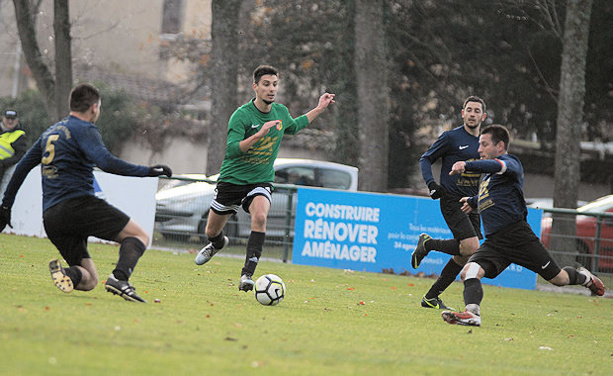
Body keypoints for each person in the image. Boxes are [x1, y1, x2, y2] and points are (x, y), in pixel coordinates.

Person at [0, 83, 172, 303]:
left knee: (89, 280)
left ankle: (67, 273)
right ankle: (120, 279)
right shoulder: (84, 129)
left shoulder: (50, 132)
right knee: (139, 236)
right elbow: (106, 162)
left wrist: (6, 206)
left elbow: (22, 168)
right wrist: (148, 171)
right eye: (99, 107)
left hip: (52, 217)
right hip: (78, 205)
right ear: (93, 108)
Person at [441, 124, 605, 326]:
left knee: (558, 278)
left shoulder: (510, 163)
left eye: (484, 144)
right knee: (469, 272)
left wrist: (467, 165)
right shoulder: (489, 179)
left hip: (517, 236)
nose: (479, 149)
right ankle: (472, 314)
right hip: (495, 242)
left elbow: (496, 166)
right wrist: (473, 202)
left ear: (499, 146)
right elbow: (491, 195)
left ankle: (584, 278)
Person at [194, 64, 335, 292]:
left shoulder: (280, 112)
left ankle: (247, 275)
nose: (271, 89)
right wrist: (258, 135)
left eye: (275, 85)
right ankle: (218, 243)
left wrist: (319, 107)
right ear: (255, 87)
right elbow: (231, 150)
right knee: (211, 231)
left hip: (260, 180)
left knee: (260, 217)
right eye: (266, 84)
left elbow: (295, 126)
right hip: (232, 180)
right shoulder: (241, 116)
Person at [411, 96, 486, 310]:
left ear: (483, 116)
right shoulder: (451, 137)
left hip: (473, 203)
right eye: (468, 110)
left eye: (476, 111)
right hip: (452, 199)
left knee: (466, 254)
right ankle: (428, 244)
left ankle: (431, 297)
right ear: (463, 113)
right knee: (472, 246)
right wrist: (431, 184)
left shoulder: (484, 143)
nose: (472, 114)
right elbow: (426, 158)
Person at [0, 109, 28, 194]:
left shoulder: (19, 135)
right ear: (3, 118)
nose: (10, 121)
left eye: (13, 119)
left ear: (17, 120)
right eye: (8, 118)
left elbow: (20, 155)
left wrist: (3, 163)